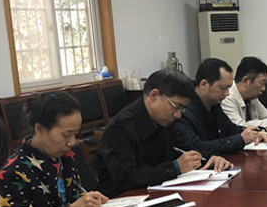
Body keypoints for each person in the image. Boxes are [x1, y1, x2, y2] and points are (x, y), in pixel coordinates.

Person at [0, 92, 109, 207]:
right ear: (39, 129)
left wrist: (88, 200)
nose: (71, 142)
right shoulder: (13, 171)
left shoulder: (66, 157)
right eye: (66, 135)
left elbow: (73, 197)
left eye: (75, 134)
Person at [98, 68, 229, 197]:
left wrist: (209, 159)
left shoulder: (165, 120)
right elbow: (126, 178)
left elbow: (183, 147)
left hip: (159, 193)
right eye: (176, 106)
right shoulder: (120, 128)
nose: (178, 115)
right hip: (123, 201)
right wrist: (174, 167)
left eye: (182, 109)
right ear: (154, 95)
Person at [175, 58, 267, 157]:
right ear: (204, 84)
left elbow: (231, 130)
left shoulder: (214, 105)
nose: (227, 93)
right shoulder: (183, 111)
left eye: (229, 88)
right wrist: (241, 139)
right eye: (223, 88)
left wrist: (255, 134)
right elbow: (197, 147)